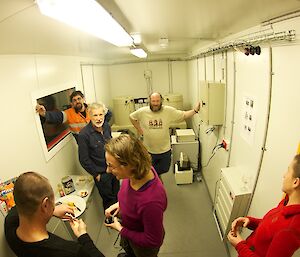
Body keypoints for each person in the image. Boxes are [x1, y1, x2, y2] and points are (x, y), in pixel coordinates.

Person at [4, 171, 105, 257]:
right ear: (45, 205)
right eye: (53, 201)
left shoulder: (9, 226)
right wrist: (83, 236)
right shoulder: (71, 251)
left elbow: (20, 205)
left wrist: (52, 210)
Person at [104, 134, 167, 257]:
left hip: (143, 247)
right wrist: (120, 205)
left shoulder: (151, 202)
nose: (108, 170)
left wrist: (121, 229)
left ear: (129, 164)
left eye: (111, 166)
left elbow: (153, 240)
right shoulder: (137, 172)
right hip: (130, 232)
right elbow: (131, 196)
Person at [227, 154, 300, 257]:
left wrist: (239, 245)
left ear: (295, 182)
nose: (284, 175)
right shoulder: (286, 203)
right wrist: (250, 221)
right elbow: (270, 228)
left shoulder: (289, 231)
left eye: (288, 171)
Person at [129, 92, 200, 176]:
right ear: (149, 101)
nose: (155, 103)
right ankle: (155, 180)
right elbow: (131, 117)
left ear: (161, 101)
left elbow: (183, 115)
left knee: (165, 169)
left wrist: (195, 110)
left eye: (157, 101)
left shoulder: (168, 111)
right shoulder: (143, 111)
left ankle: (155, 177)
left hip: (165, 149)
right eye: (153, 101)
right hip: (148, 150)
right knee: (150, 171)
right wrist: (139, 129)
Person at [78, 103, 119, 210]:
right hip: (102, 174)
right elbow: (84, 159)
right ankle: (111, 221)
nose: (99, 118)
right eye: (95, 115)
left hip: (114, 170)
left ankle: (121, 218)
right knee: (109, 200)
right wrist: (97, 175)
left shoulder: (106, 126)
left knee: (118, 195)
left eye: (101, 114)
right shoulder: (84, 135)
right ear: (90, 116)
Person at [36, 90, 112, 142]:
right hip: (84, 143)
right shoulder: (68, 113)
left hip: (99, 140)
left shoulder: (92, 108)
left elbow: (108, 114)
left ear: (83, 99)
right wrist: (44, 113)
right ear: (71, 103)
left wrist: (102, 125)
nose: (77, 101)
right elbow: (57, 116)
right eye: (74, 100)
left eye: (79, 99)